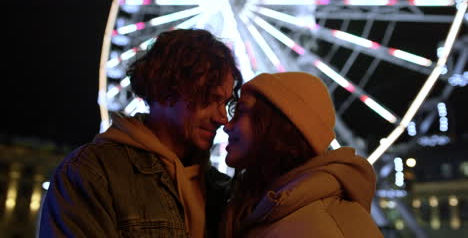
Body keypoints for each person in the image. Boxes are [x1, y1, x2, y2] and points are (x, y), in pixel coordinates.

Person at [38, 29, 243, 237]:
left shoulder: (221, 191)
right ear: (166, 91)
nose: (222, 118)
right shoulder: (92, 173)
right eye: (208, 99)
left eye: (225, 103)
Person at [221, 72, 383, 237]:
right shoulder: (257, 209)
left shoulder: (325, 227)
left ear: (279, 125)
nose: (226, 125)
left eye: (241, 111)